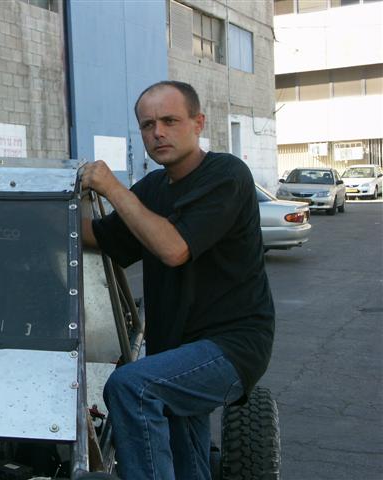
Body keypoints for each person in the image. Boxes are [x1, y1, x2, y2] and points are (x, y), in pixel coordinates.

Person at [80, 80, 274, 480]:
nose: (158, 133)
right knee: (188, 465)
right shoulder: (153, 189)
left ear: (198, 123)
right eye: (148, 125)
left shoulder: (226, 174)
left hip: (231, 347)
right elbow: (99, 236)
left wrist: (112, 187)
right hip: (175, 352)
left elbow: (174, 248)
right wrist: (25, 215)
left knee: (133, 387)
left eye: (170, 121)